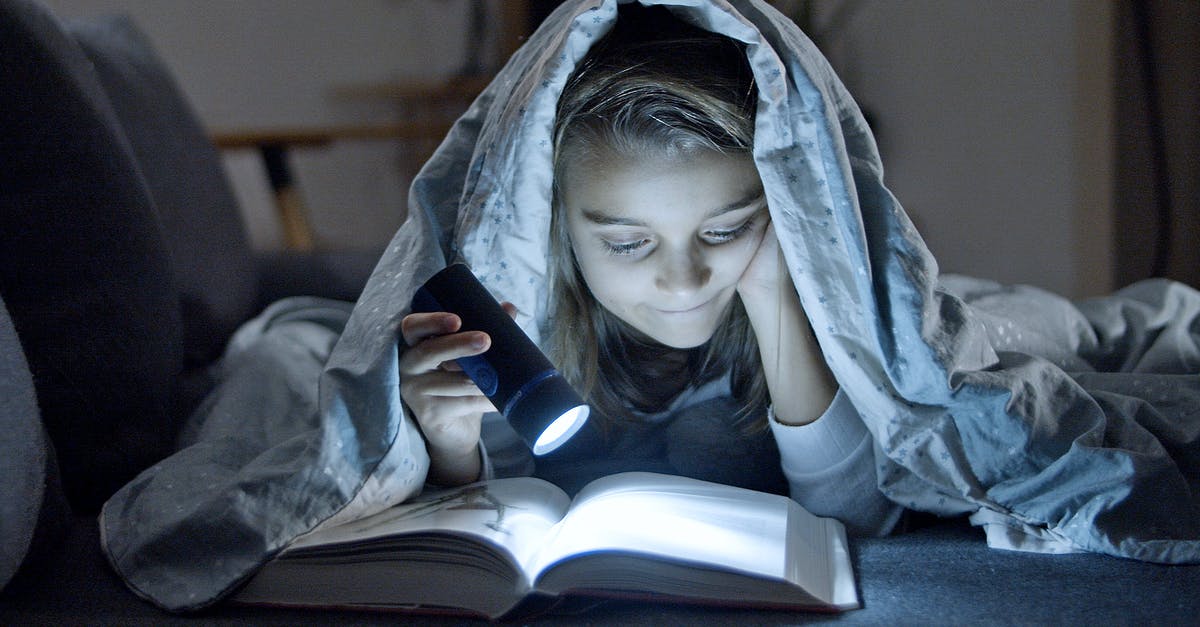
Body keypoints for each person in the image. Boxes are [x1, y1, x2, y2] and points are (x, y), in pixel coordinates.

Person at [398, 5, 903, 536]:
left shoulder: (816, 299)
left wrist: (774, 297)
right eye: (629, 243)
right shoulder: (519, 310)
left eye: (725, 230)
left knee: (711, 439)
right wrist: (452, 447)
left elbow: (857, 523)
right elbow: (485, 530)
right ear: (555, 224)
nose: (684, 281)